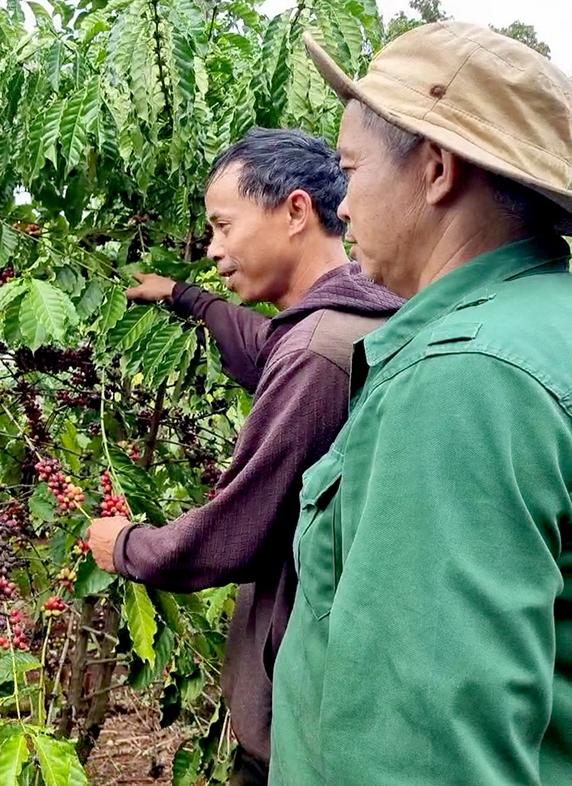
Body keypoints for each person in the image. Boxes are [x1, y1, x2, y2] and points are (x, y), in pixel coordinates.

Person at [269, 23, 572, 785]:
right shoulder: (544, 324)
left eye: (351, 169)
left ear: (435, 169)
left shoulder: (463, 378)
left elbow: (429, 751)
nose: (342, 208)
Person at [86, 128, 402, 784]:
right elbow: (264, 345)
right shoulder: (355, 319)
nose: (214, 249)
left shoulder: (318, 354)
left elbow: (238, 532)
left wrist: (126, 546)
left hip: (311, 729)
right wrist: (185, 296)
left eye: (223, 226)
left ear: (294, 211)